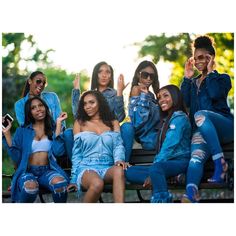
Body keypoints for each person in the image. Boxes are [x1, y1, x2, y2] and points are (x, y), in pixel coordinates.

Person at [180, 35, 234, 202]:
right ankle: (190, 194)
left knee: (200, 115)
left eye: (203, 57)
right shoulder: (193, 82)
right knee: (195, 158)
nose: (198, 62)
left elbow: (215, 94)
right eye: (196, 58)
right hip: (202, 131)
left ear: (211, 57)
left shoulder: (222, 78)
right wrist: (187, 78)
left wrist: (210, 72)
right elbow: (184, 103)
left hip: (225, 126)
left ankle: (220, 163)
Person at [125, 85, 191, 203]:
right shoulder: (165, 120)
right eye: (159, 98)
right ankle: (171, 178)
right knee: (129, 172)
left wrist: (155, 170)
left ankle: (161, 200)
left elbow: (168, 147)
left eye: (166, 96)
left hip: (180, 162)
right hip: (165, 166)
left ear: (175, 97)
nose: (161, 100)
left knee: (156, 169)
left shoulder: (180, 118)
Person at [2, 97, 69, 203]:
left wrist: (59, 124)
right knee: (30, 188)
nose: (38, 109)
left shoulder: (52, 128)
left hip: (47, 170)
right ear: (29, 112)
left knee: (60, 184)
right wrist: (7, 134)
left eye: (40, 105)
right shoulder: (22, 131)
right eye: (33, 108)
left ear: (45, 108)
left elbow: (58, 152)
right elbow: (17, 158)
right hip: (27, 171)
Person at [66, 90, 127, 203]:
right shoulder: (79, 123)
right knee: (97, 183)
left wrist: (119, 160)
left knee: (119, 170)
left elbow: (118, 146)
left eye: (91, 102)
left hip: (107, 166)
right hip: (87, 168)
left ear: (100, 103)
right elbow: (77, 153)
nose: (87, 107)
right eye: (84, 104)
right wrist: (73, 179)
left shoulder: (113, 122)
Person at [120, 60, 160, 161]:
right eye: (145, 75)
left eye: (152, 76)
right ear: (138, 75)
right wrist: (144, 97)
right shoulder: (136, 90)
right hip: (147, 138)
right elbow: (137, 122)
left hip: (155, 134)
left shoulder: (151, 95)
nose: (148, 78)